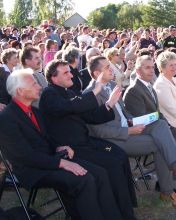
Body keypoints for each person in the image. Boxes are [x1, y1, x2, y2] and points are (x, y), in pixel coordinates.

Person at [0, 69, 123, 220]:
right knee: (84, 179)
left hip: (50, 159)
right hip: (33, 170)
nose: (39, 86)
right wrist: (62, 163)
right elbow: (25, 156)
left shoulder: (34, 111)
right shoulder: (7, 118)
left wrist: (58, 147)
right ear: (20, 91)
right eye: (34, 83)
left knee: (99, 173)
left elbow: (46, 139)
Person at [86, 56, 176, 207]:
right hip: (116, 139)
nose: (112, 69)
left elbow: (124, 113)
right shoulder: (90, 95)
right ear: (96, 74)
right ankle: (169, 189)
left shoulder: (111, 84)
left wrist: (137, 122)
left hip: (129, 126)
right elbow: (98, 131)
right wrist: (129, 130)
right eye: (107, 68)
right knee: (161, 144)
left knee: (161, 124)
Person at [39, 60, 137, 219]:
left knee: (119, 155)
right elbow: (68, 107)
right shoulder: (49, 94)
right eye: (66, 73)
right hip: (70, 149)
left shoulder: (69, 92)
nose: (71, 74)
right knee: (110, 165)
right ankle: (116, 214)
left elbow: (90, 116)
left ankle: (125, 208)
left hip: (85, 142)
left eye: (70, 71)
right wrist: (96, 90)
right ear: (53, 78)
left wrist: (110, 103)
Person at [124, 55, 176, 165]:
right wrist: (163, 124)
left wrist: (167, 125)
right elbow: (141, 118)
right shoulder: (133, 90)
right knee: (175, 140)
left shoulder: (149, 86)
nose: (151, 71)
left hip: (158, 124)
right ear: (138, 71)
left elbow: (156, 111)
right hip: (145, 129)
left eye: (152, 67)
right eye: (147, 68)